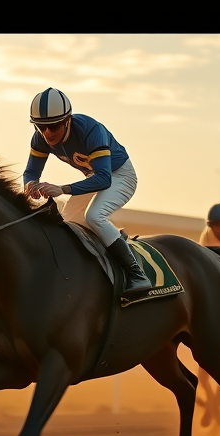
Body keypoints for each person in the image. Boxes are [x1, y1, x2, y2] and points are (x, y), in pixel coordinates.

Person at [22, 87, 151, 297]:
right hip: (95, 177)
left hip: (119, 175)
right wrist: (30, 185)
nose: (47, 133)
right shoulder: (39, 139)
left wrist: (61, 189)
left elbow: (104, 178)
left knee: (94, 215)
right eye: (41, 127)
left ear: (67, 120)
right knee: (68, 220)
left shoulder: (90, 130)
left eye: (53, 126)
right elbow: (31, 171)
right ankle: (112, 239)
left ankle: (136, 274)